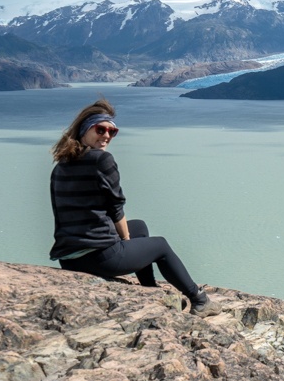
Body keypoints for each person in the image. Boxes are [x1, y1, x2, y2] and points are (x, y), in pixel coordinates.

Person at [49, 99, 221, 316]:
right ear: (85, 129)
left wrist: (124, 238)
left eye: (112, 132)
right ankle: (199, 300)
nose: (107, 136)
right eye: (100, 129)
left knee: (139, 226)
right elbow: (116, 206)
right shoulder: (101, 160)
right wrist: (124, 242)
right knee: (160, 246)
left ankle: (149, 289)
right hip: (99, 258)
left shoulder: (62, 164)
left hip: (69, 258)